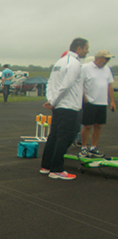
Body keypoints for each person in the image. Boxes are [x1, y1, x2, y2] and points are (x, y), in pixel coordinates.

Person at [40, 37, 89, 180]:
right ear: (79, 49)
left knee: (54, 135)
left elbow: (50, 83)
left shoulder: (59, 62)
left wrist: (50, 100)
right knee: (65, 137)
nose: (87, 51)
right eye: (86, 48)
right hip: (69, 106)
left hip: (59, 105)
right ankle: (56, 169)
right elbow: (66, 85)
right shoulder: (74, 63)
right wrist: (53, 101)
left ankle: (46, 166)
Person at [79, 49, 116, 158]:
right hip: (90, 101)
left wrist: (112, 101)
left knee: (99, 126)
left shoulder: (107, 69)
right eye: (106, 58)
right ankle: (84, 147)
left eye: (108, 59)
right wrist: (84, 97)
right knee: (87, 125)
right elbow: (80, 83)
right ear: (98, 58)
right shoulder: (86, 68)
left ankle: (93, 147)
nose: (107, 61)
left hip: (102, 102)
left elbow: (110, 85)